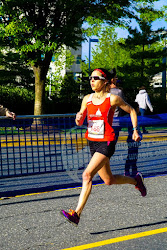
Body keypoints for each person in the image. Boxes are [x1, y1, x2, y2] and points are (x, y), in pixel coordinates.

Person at [60, 68, 147, 227]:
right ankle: (136, 181)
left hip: (107, 141)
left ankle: (77, 214)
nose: (91, 80)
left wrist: (135, 130)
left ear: (105, 81)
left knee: (87, 175)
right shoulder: (87, 99)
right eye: (90, 78)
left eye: (95, 78)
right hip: (92, 142)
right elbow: (79, 121)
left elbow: (132, 111)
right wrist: (78, 118)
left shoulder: (112, 99)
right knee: (108, 180)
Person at [124, 102, 141, 177]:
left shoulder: (136, 117)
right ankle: (127, 170)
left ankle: (134, 169)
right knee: (131, 155)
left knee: (134, 155)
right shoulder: (131, 118)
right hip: (131, 138)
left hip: (135, 138)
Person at [110, 69, 125, 142]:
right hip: (115, 122)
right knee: (111, 145)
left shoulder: (102, 91)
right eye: (116, 77)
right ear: (112, 80)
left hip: (104, 122)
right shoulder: (118, 92)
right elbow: (124, 106)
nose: (117, 79)